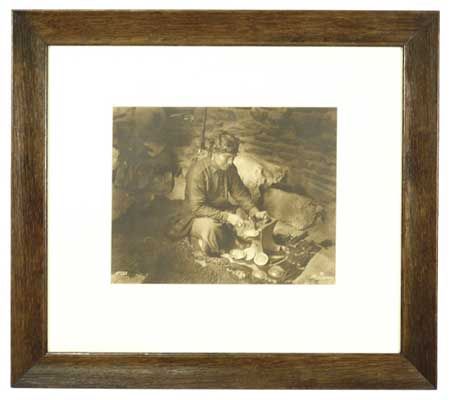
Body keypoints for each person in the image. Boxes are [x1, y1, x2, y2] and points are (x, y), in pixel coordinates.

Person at [168, 131, 268, 256]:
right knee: (212, 228)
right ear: (214, 153)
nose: (230, 162)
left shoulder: (230, 169)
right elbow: (197, 208)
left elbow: (241, 194)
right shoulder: (198, 172)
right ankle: (206, 243)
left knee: (242, 214)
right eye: (227, 157)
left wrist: (254, 211)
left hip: (220, 210)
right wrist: (227, 217)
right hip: (195, 216)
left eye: (233, 157)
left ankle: (223, 241)